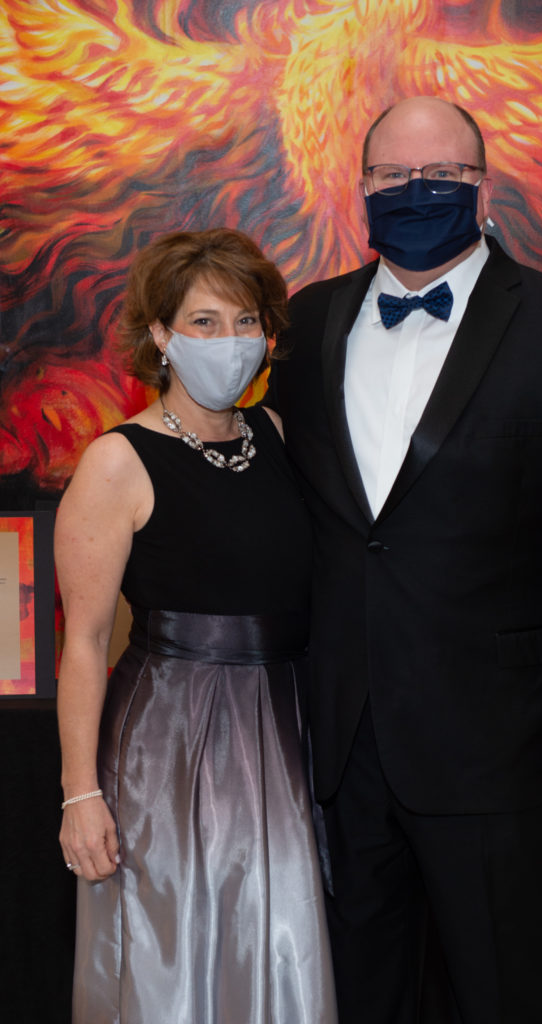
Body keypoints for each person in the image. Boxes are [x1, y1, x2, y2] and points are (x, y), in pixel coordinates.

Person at [266, 96, 542, 1023]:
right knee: (357, 991)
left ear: (483, 186)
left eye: (443, 176)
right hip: (342, 740)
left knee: (511, 990)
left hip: (510, 740)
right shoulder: (305, 323)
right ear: (361, 188)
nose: (418, 192)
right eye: (394, 177)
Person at [56, 228, 337, 1024]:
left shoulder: (275, 438)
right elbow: (81, 643)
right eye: (205, 322)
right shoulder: (118, 461)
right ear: (160, 335)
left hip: (287, 725)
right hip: (172, 740)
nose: (230, 341)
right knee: (171, 957)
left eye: (246, 322)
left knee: (279, 946)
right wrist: (80, 793)